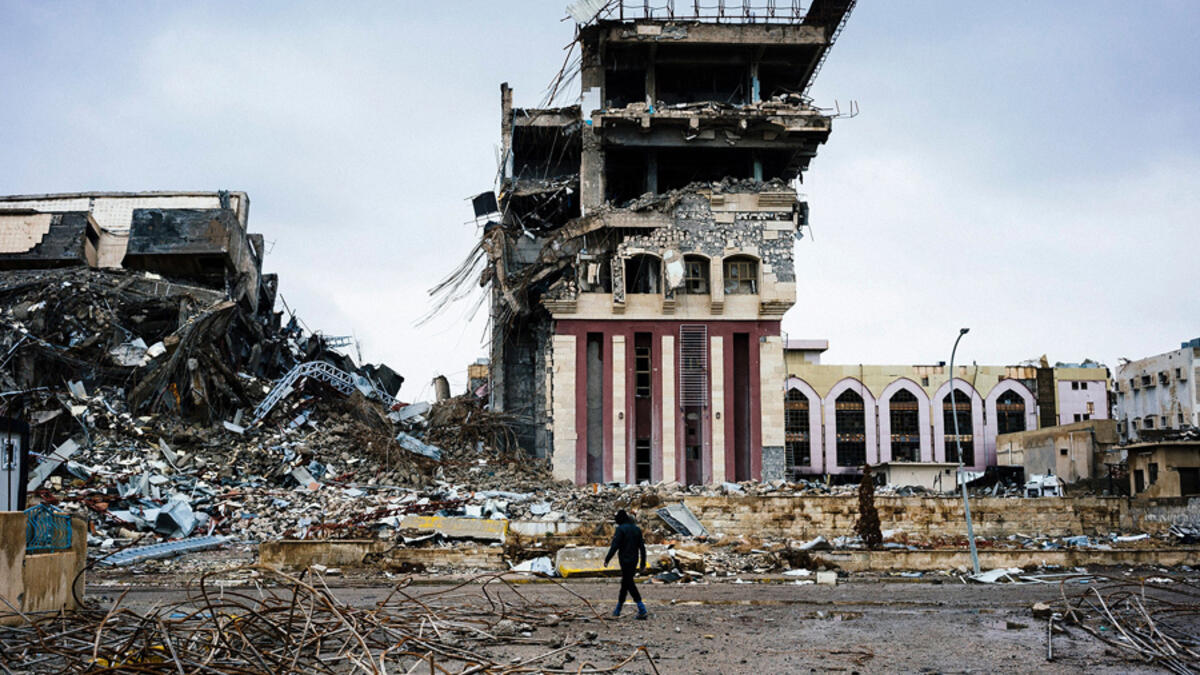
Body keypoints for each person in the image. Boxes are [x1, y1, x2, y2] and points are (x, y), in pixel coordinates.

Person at [603, 509, 647, 619]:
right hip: (634, 560)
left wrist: (607, 559)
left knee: (628, 583)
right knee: (626, 583)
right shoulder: (637, 530)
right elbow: (642, 548)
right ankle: (618, 609)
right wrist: (642, 563)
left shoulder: (620, 529)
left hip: (624, 560)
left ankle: (642, 609)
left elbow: (615, 546)